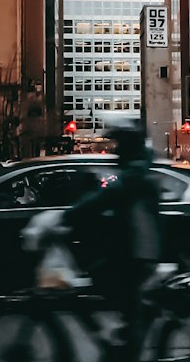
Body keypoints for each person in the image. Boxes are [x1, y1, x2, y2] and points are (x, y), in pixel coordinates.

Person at [63, 121, 163, 361]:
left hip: (139, 251)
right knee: (123, 300)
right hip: (137, 247)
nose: (116, 150)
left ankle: (129, 344)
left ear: (128, 146)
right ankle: (130, 338)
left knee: (103, 279)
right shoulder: (137, 168)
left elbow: (105, 197)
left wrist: (69, 214)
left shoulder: (134, 174)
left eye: (119, 144)